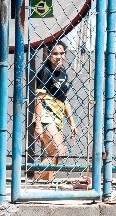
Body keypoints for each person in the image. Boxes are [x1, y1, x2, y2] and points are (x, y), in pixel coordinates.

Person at [28, 40, 80, 183]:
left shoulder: (63, 73)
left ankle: (43, 183)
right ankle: (34, 178)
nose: (59, 57)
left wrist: (72, 123)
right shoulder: (45, 72)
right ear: (49, 55)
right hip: (45, 116)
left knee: (52, 153)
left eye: (62, 53)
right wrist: (38, 125)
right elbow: (38, 99)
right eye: (55, 53)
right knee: (59, 151)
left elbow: (64, 100)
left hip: (57, 117)